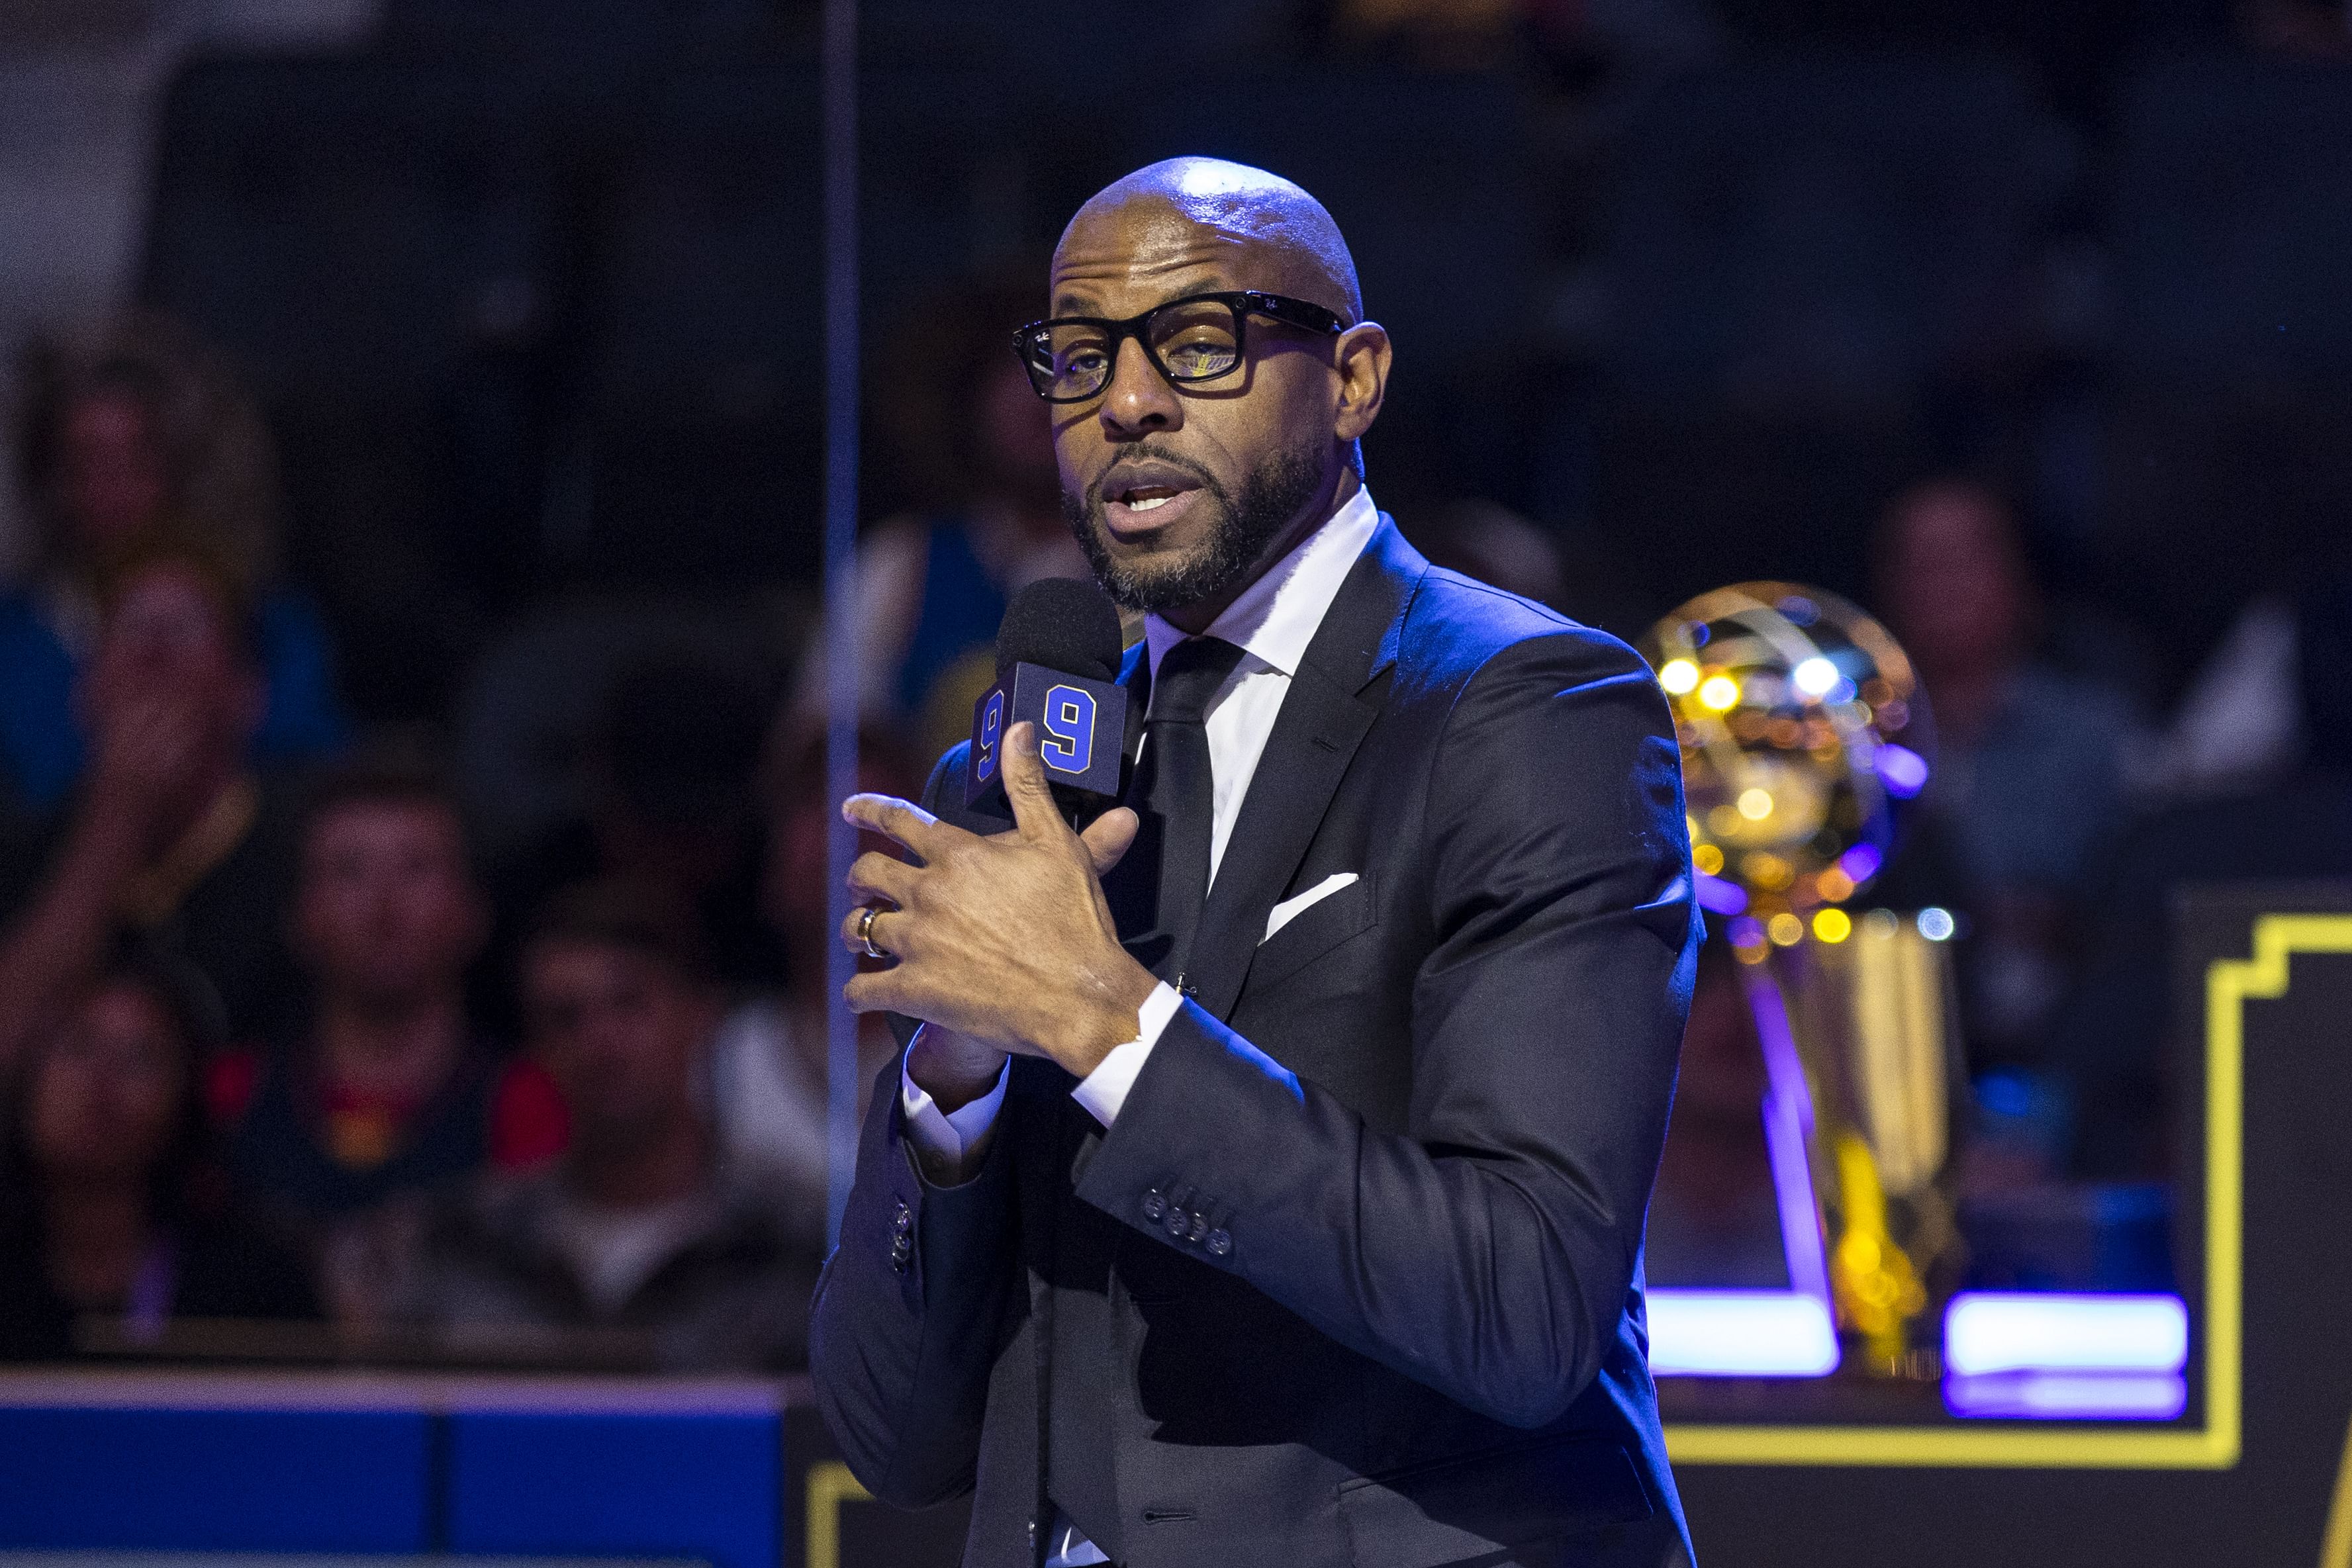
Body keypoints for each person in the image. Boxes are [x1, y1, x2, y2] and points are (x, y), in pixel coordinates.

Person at [813, 160, 1698, 1568]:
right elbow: (894, 1431)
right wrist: (954, 1087)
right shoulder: (1022, 776)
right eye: (1081, 355)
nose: (1128, 402)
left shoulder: (1526, 709)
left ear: (1352, 378)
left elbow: (1525, 1306)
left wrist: (1103, 1022)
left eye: (1202, 342)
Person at [395, 880, 822, 1371]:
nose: (600, 1044)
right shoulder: (463, 1249)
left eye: (629, 1005)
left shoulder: (803, 1247)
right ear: (535, 1049)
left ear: (701, 1016)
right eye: (565, 1018)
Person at [212, 753, 564, 1319]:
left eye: (417, 868)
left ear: (472, 913)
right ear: (301, 917)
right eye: (350, 870)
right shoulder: (226, 1095)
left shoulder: (532, 1101)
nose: (384, 904)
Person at [2, 314, 348, 813]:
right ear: (52, 480)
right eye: (86, 463)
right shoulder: (15, 635)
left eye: (136, 461)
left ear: (182, 467)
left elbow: (317, 757)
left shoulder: (271, 624)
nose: (112, 489)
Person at [0, 547, 306, 1074]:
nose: (154, 649)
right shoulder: (25, 848)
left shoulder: (302, 852)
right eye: (132, 626)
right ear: (85, 690)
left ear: (247, 694)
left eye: (186, 628)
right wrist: (116, 818)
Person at [1870, 477, 2141, 1072]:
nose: (1943, 584)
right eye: (1920, 563)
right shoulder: (1841, 736)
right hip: (1887, 1039)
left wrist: (2064, 919)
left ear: (2020, 580)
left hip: (2068, 1046)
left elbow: (2140, 901)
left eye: (1967, 557)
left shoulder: (2096, 734)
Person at [0, 947, 318, 1360]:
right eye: (78, 1047)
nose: (102, 1084)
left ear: (186, 1099)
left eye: (139, 1058)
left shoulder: (256, 1284)